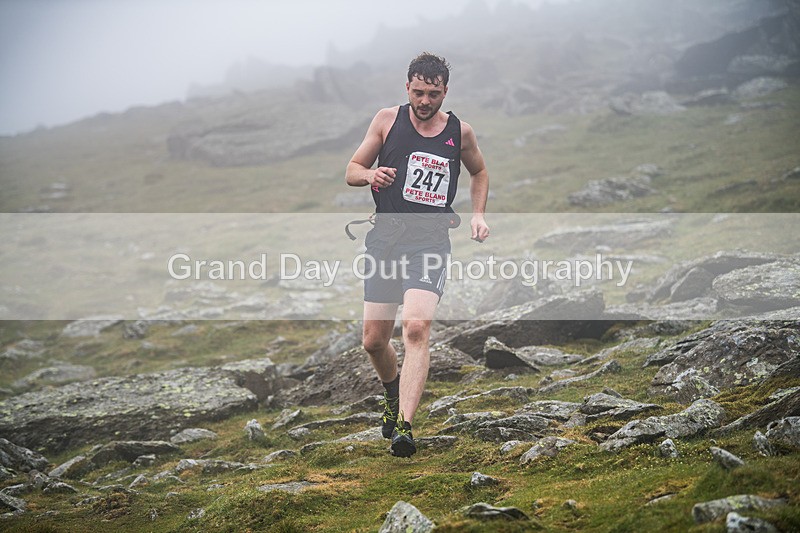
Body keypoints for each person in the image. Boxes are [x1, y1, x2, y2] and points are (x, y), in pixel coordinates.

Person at [345, 52, 490, 457]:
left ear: (446, 90)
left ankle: (405, 428)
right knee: (373, 341)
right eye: (418, 92)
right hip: (385, 239)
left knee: (415, 329)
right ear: (407, 86)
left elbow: (479, 172)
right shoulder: (386, 120)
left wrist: (478, 215)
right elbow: (352, 169)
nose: (425, 101)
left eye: (434, 93)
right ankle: (391, 394)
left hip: (429, 241)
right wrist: (371, 174)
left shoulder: (460, 133)